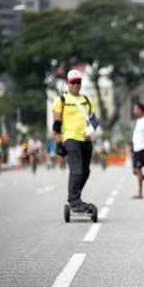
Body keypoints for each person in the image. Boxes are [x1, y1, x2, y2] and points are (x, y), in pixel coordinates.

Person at [52, 69, 96, 212]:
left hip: (86, 140)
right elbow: (57, 124)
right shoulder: (61, 101)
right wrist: (58, 143)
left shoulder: (87, 100)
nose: (76, 85)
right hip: (70, 139)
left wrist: (91, 130)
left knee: (85, 172)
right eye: (73, 83)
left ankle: (75, 197)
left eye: (78, 82)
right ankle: (74, 201)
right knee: (76, 170)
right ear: (67, 83)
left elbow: (94, 120)